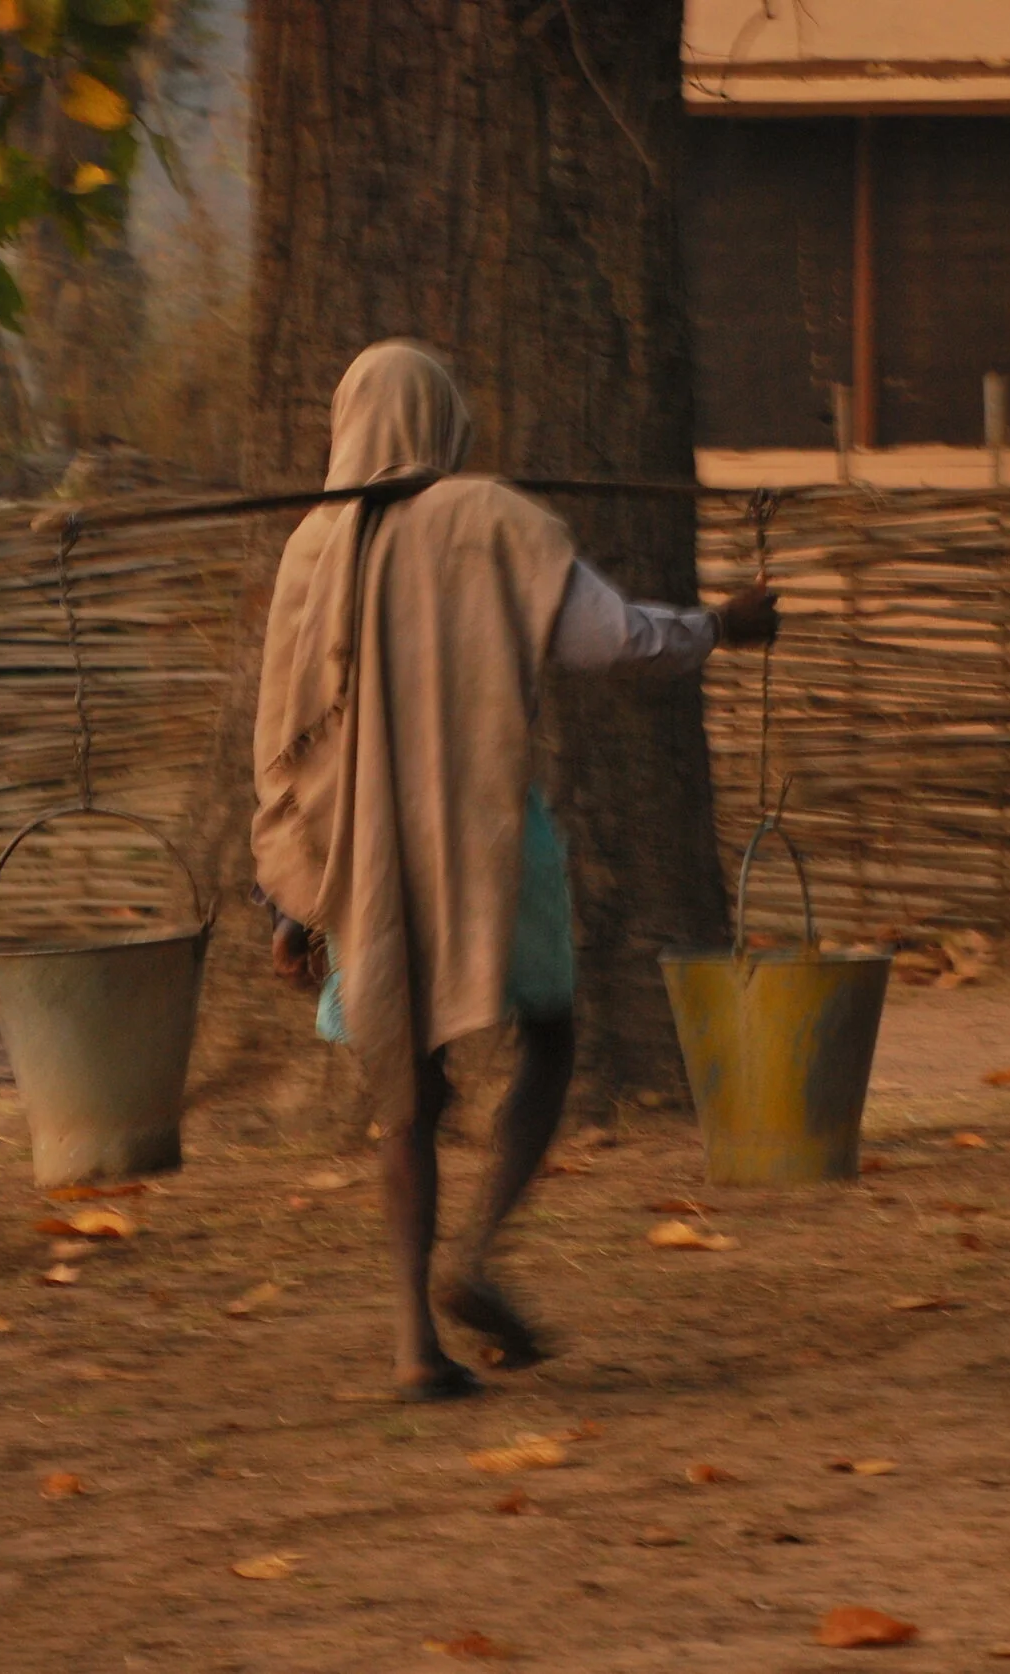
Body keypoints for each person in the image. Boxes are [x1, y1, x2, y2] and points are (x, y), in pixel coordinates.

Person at [251, 339, 778, 1400]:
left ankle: (414, 1344)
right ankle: (478, 1250)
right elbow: (615, 640)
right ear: (443, 423)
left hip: (362, 857)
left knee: (406, 1089)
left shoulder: (311, 543)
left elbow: (286, 742)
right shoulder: (490, 518)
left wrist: (292, 903)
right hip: (491, 835)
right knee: (548, 1033)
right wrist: (721, 626)